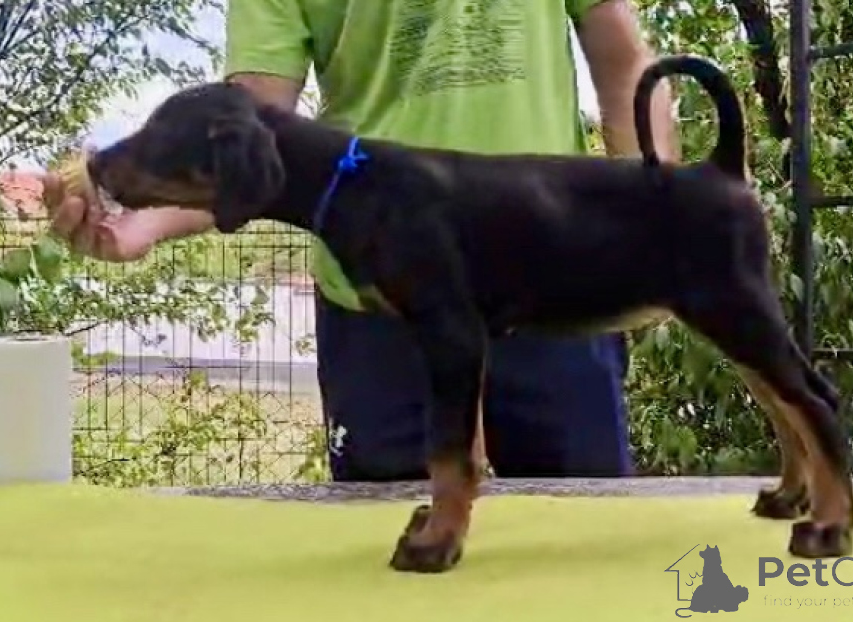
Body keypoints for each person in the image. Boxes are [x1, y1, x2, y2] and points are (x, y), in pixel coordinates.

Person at [43, 0, 679, 482]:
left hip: (552, 290)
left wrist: (655, 222)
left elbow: (622, 59)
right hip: (383, 307)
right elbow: (250, 135)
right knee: (392, 571)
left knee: (579, 553)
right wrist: (146, 220)